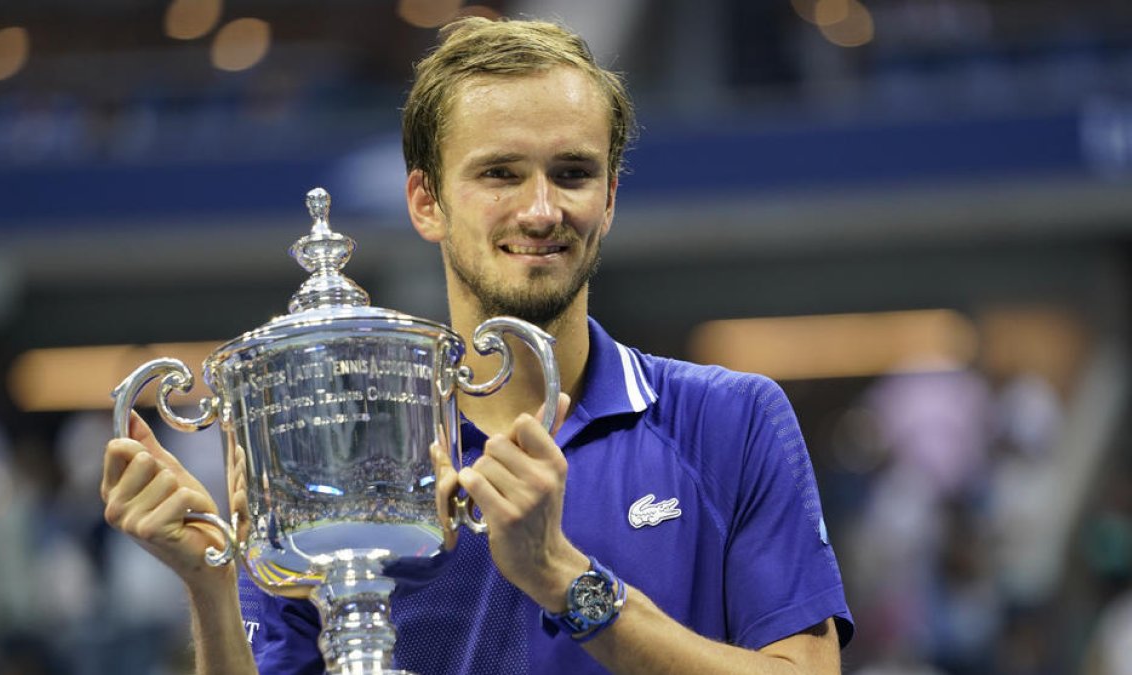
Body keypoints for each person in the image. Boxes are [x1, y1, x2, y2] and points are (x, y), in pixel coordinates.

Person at [101, 17, 853, 674]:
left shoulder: (730, 421)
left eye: (573, 173)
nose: (540, 208)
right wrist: (208, 581)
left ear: (611, 198)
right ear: (426, 202)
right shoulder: (337, 456)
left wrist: (561, 576)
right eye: (500, 173)